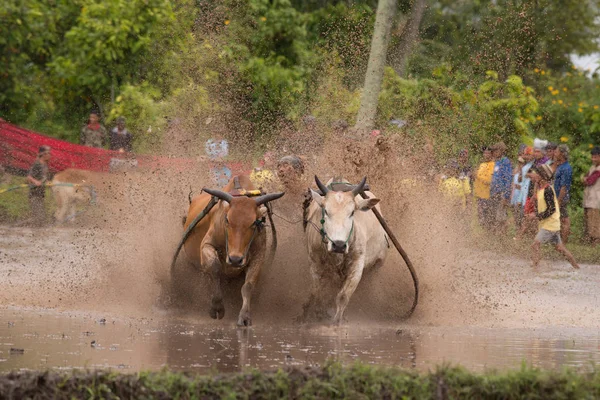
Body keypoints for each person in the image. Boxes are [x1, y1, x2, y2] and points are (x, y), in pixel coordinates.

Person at [526, 164, 579, 270]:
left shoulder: (548, 190)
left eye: (536, 174)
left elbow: (551, 209)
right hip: (548, 223)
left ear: (542, 176)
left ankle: (535, 269)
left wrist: (535, 216)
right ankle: (577, 268)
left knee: (535, 245)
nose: (534, 176)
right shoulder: (541, 188)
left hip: (550, 224)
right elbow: (537, 200)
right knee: (560, 248)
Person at [489, 142, 512, 232]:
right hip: (495, 192)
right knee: (497, 216)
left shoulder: (505, 161)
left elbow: (508, 179)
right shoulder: (497, 162)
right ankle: (499, 235)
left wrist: (506, 196)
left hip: (502, 193)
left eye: (495, 150)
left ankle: (502, 237)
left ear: (501, 151)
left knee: (501, 217)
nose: (493, 152)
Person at [26, 146, 51, 226]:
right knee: (38, 217)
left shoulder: (45, 165)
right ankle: (19, 226)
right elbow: (29, 177)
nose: (50, 155)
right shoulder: (37, 164)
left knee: (42, 217)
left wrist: (48, 182)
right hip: (34, 194)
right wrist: (36, 182)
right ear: (43, 154)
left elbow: (43, 178)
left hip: (41, 194)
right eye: (48, 153)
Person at [553, 144, 573, 243]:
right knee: (560, 219)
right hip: (556, 196)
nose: (554, 153)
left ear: (562, 153)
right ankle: (559, 241)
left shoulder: (566, 168)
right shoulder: (560, 165)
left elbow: (564, 187)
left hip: (561, 197)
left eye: (556, 152)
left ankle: (563, 242)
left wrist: (559, 201)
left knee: (565, 220)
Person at [473, 146, 495, 228]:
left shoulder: (493, 165)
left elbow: (489, 181)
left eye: (488, 153)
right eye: (485, 153)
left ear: (492, 154)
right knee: (480, 219)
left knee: (488, 218)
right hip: (479, 195)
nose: (486, 155)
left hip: (487, 196)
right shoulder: (482, 164)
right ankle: (485, 235)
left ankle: (490, 235)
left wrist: (477, 176)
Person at [583, 146, 600, 245]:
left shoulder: (598, 169)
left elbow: (589, 180)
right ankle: (591, 241)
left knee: (594, 221)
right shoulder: (593, 167)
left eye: (596, 157)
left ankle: (596, 242)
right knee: (589, 220)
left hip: (595, 198)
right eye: (592, 157)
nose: (593, 159)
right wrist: (585, 179)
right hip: (589, 197)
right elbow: (585, 178)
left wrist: (586, 179)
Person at [511, 156, 526, 229]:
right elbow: (513, 187)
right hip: (515, 199)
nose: (520, 165)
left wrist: (517, 186)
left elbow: (525, 187)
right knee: (516, 218)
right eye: (519, 163)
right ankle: (517, 232)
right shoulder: (516, 174)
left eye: (522, 164)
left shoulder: (526, 175)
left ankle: (520, 234)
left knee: (521, 218)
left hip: (521, 200)